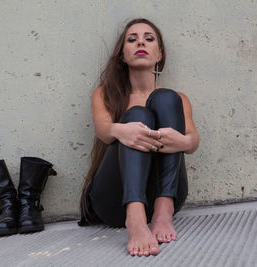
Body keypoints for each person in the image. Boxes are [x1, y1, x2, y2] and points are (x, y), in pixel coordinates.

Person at [79, 18, 199, 257]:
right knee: (137, 114)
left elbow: (193, 140)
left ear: (159, 54)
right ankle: (135, 218)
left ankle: (163, 211)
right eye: (132, 39)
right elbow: (103, 131)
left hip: (162, 195)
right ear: (123, 55)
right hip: (114, 200)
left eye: (149, 38)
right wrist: (121, 130)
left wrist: (182, 142)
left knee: (166, 98)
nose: (141, 42)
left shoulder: (178, 99)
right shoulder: (105, 94)